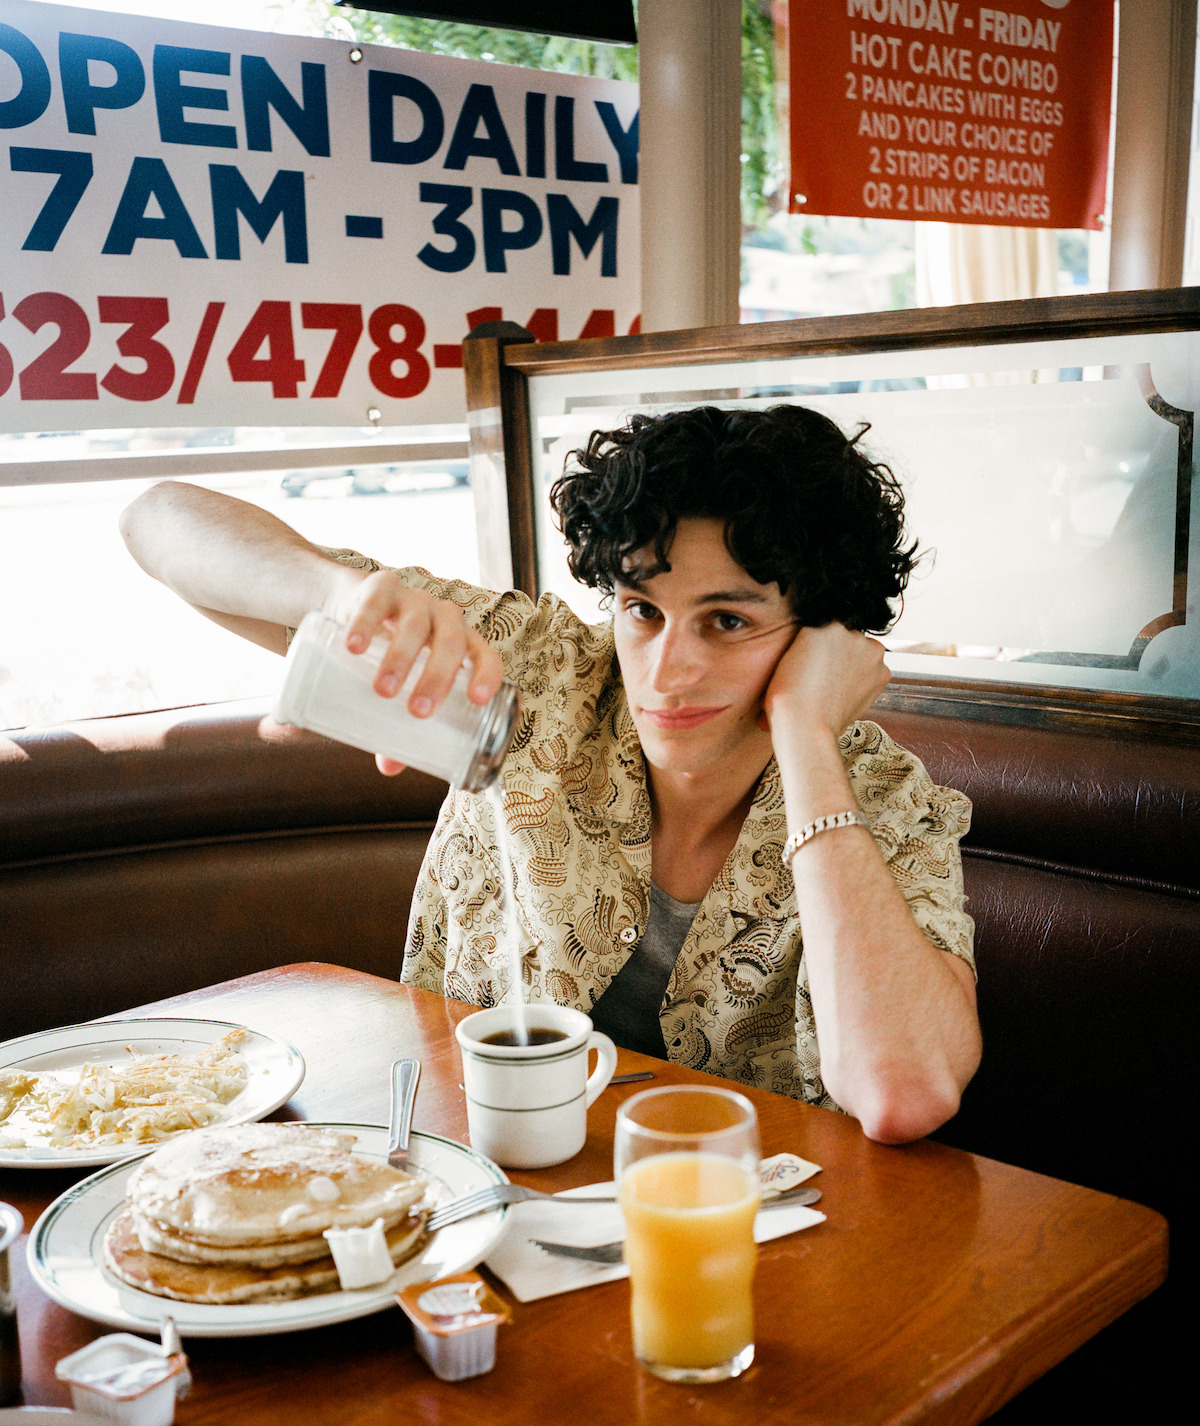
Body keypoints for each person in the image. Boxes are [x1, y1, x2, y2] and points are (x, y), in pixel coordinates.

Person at [120, 404, 980, 1143]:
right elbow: (158, 520)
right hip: (457, 1173)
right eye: (644, 611)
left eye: (725, 621)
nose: (665, 670)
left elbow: (902, 1094)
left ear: (823, 632)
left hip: (727, 1225)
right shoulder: (537, 669)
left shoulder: (885, 799)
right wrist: (338, 596)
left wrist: (804, 732)